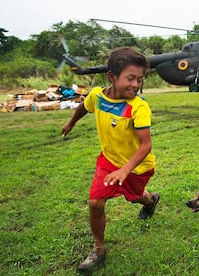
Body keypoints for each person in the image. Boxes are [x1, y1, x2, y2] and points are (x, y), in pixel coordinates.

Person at [61, 46, 160, 273]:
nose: (135, 84)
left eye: (139, 79)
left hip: (137, 167)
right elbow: (84, 107)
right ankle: (99, 250)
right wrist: (71, 123)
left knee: (135, 197)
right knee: (95, 202)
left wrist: (126, 170)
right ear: (112, 77)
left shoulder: (138, 107)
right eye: (130, 78)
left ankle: (149, 200)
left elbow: (146, 145)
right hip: (108, 161)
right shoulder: (97, 95)